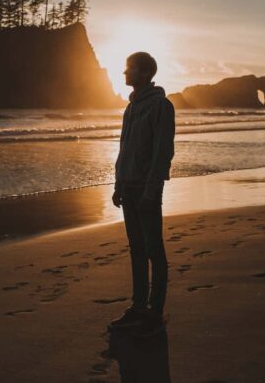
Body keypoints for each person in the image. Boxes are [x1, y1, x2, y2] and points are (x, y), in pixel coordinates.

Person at [108, 51, 176, 338]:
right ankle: (138, 306)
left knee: (153, 249)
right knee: (136, 249)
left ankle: (154, 311)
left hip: (147, 190)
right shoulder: (131, 107)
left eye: (129, 69)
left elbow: (163, 153)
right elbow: (124, 149)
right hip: (129, 187)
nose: (124, 73)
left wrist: (152, 190)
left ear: (145, 73)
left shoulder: (161, 106)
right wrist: (118, 184)